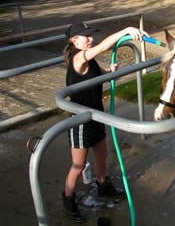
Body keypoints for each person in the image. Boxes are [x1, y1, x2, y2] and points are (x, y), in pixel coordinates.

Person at [62, 22, 149, 222]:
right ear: (74, 40)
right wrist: (126, 31)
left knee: (101, 154)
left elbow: (99, 75)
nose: (90, 39)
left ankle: (103, 186)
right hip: (80, 120)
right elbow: (102, 48)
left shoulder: (90, 62)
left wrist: (110, 71)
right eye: (86, 36)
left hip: (96, 115)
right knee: (78, 164)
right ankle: (67, 198)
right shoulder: (79, 57)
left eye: (91, 35)